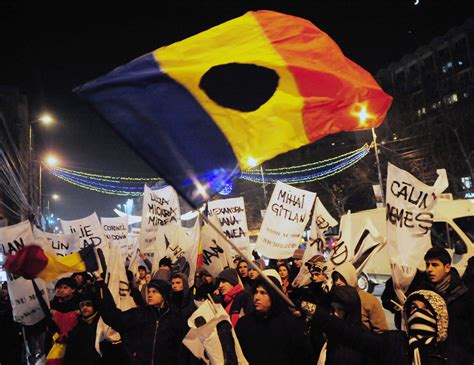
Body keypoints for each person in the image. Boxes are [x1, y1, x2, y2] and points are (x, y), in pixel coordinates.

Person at [308, 289, 466, 364]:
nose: (416, 313)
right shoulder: (396, 343)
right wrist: (318, 315)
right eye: (412, 308)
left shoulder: (453, 354)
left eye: (424, 309)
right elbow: (355, 336)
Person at [95, 278, 188, 364]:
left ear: (163, 295)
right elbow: (115, 318)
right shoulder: (141, 314)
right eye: (149, 291)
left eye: (155, 292)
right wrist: (101, 287)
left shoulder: (175, 317)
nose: (150, 294)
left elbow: (181, 349)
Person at [235, 272, 314, 365]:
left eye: (263, 293)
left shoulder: (290, 324)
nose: (257, 297)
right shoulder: (244, 323)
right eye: (256, 292)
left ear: (274, 295)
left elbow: (303, 357)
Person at [423, 247, 474, 361]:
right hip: (429, 357)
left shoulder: (464, 294)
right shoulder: (422, 292)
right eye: (427, 265)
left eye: (435, 265)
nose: (429, 269)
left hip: (458, 358)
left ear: (447, 267)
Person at [331, 262, 388, 333]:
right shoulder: (334, 300)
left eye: (342, 278)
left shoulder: (369, 300)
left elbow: (381, 331)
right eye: (335, 279)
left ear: (350, 277)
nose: (338, 282)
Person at [64, 294, 103, 365]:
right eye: (82, 305)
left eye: (88, 304)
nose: (84, 308)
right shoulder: (77, 329)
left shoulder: (103, 324)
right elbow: (70, 355)